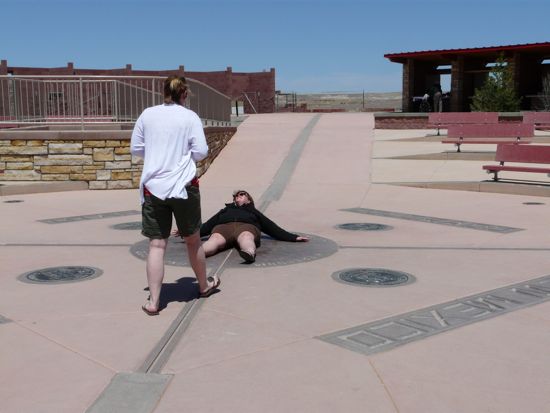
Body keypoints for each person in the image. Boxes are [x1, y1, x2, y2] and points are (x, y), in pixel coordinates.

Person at [131, 75, 220, 316]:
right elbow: (201, 151)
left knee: (157, 245)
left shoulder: (147, 114)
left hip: (153, 187)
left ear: (164, 92)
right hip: (184, 186)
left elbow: (136, 148)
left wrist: (157, 154)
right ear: (184, 94)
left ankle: (154, 301)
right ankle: (203, 286)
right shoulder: (189, 117)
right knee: (193, 240)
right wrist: (181, 156)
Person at [175, 189, 309, 263]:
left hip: (246, 227)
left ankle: (249, 253)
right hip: (224, 227)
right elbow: (208, 225)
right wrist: (186, 232)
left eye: (242, 194)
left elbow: (271, 227)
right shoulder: (225, 210)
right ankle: (197, 254)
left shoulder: (253, 212)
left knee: (246, 237)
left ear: (249, 199)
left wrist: (293, 237)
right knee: (214, 239)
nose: (237, 197)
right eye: (236, 196)